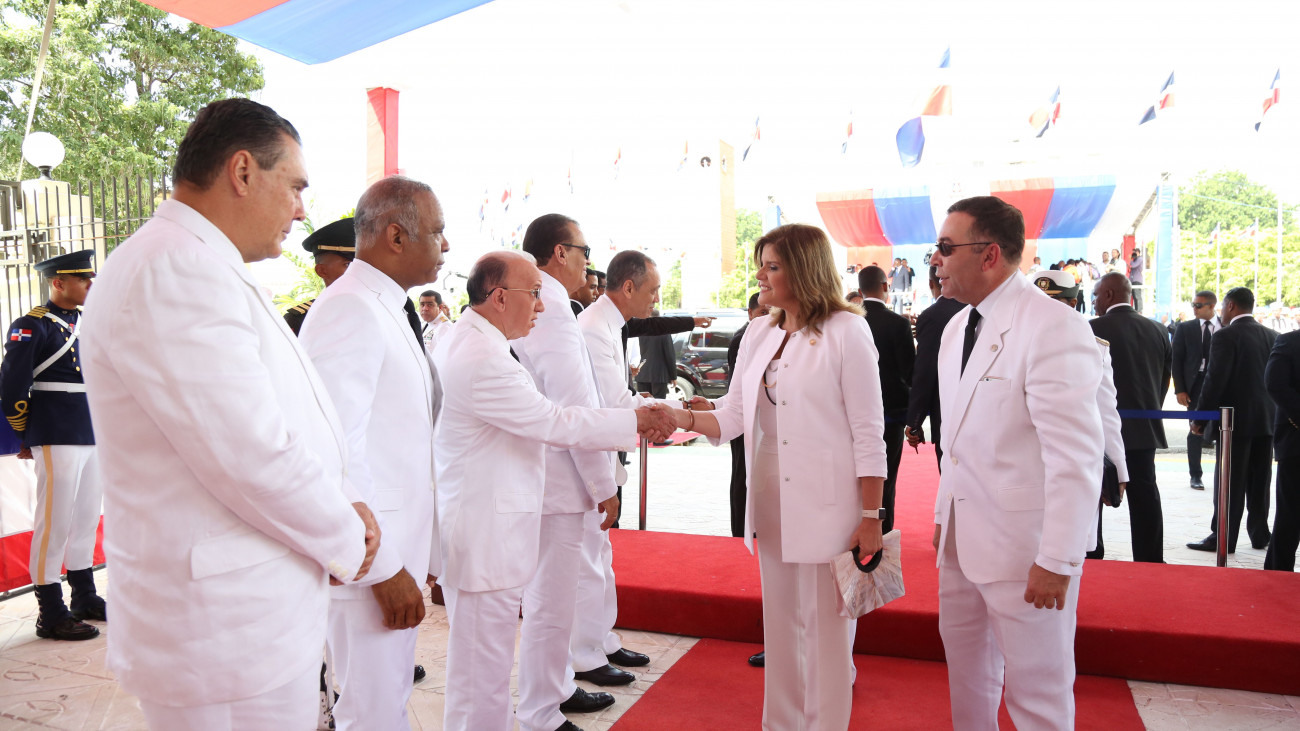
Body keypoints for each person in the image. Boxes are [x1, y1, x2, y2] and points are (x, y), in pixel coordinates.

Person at [81, 98, 381, 730]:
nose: (301, 210)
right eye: (295, 187)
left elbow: (280, 421)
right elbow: (249, 452)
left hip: (246, 617)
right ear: (243, 171)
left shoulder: (199, 261)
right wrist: (346, 538)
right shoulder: (175, 267)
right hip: (221, 634)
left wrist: (342, 499)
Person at [432, 250, 673, 731]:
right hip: (485, 536)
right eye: (534, 294)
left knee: (482, 673)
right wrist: (635, 422)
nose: (541, 306)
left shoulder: (472, 340)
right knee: (481, 678)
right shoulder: (484, 357)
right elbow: (555, 421)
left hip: (481, 527)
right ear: (500, 297)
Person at [685, 223, 888, 730]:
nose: (761, 275)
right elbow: (733, 416)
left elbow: (869, 433)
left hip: (830, 500)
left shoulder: (847, 331)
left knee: (825, 633)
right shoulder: (760, 332)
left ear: (803, 270)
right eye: (762, 265)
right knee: (780, 627)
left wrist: (871, 515)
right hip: (771, 495)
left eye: (772, 266)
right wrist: (681, 417)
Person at [929, 196, 1103, 730]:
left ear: (989, 254)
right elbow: (957, 441)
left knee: (1038, 696)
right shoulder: (957, 327)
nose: (935, 259)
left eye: (945, 247)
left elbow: (1074, 456)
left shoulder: (1052, 325)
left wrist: (1059, 559)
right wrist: (942, 518)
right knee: (968, 682)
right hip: (962, 541)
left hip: (1026, 550)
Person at [298, 176, 447, 730]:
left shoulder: (385, 304)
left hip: (395, 547)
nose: (446, 244)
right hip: (370, 560)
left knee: (385, 705)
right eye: (437, 231)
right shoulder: (351, 308)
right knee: (371, 713)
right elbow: (332, 451)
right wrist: (384, 570)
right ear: (396, 236)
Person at [511, 214, 625, 729]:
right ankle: (541, 711)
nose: (587, 263)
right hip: (556, 477)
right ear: (560, 252)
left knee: (553, 597)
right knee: (551, 601)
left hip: (550, 471)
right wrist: (604, 483)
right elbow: (574, 403)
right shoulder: (551, 306)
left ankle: (554, 687)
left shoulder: (549, 301)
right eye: (583, 251)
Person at [576, 249, 692, 688]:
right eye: (653, 290)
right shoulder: (593, 327)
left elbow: (620, 397)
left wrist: (665, 409)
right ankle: (583, 654)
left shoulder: (610, 323)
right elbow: (612, 402)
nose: (656, 299)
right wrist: (667, 411)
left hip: (604, 449)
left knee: (601, 557)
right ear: (628, 287)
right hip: (585, 459)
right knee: (587, 562)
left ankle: (601, 641)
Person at [0, 249, 104, 641]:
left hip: (90, 427)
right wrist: (25, 432)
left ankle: (84, 595)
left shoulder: (87, 322)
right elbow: (13, 385)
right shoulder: (32, 325)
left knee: (86, 515)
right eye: (82, 279)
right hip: (56, 426)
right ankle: (50, 610)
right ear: (58, 282)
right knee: (54, 521)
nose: (90, 285)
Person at [1032, 270, 1129, 563]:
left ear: (1072, 304)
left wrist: (1117, 467)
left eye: (1054, 302)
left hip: (1072, 463)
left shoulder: (1094, 347)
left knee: (1070, 548)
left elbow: (1106, 410)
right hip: (1024, 464)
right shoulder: (1009, 344)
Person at [1090, 273, 1172, 563]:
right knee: (1145, 496)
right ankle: (1150, 560)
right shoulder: (1158, 329)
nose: (1094, 302)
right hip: (1144, 426)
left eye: (1096, 295)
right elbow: (1164, 380)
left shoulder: (1092, 328)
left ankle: (1092, 554)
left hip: (1100, 430)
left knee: (1092, 496)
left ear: (1109, 295)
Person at [1189, 287, 1277, 553]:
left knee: (1229, 481)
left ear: (1230, 306)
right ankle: (1260, 534)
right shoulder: (1272, 335)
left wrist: (1200, 418)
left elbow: (1215, 380)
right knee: (1260, 481)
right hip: (1266, 420)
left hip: (1234, 423)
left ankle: (1224, 537)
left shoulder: (1225, 336)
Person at [858, 264, 916, 534]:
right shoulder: (898, 324)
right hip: (890, 414)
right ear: (885, 286)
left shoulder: (848, 322)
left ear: (860, 290)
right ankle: (884, 537)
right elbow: (910, 372)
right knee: (886, 478)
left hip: (853, 415)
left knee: (854, 479)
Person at [906, 265, 966, 468]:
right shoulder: (977, 309)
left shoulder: (932, 316)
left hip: (946, 414)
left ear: (932, 283)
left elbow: (925, 372)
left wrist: (915, 421)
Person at [725, 293, 769, 540]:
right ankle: (740, 530)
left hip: (760, 422)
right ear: (750, 313)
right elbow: (738, 390)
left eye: (770, 312)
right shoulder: (743, 338)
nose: (767, 318)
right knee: (742, 476)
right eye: (762, 313)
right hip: (742, 420)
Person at [1172, 291, 1220, 490]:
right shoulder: (1185, 328)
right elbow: (1176, 360)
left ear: (1211, 306)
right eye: (1193, 305)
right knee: (1195, 429)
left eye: (1199, 306)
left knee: (1223, 431)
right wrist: (1180, 389)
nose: (1194, 309)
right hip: (1195, 384)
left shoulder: (1225, 326)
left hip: (1220, 384)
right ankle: (1195, 475)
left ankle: (1223, 475)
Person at [1265, 329, 1300, 571]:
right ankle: (1278, 574)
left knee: (1290, 511)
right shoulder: (1290, 341)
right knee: (1290, 512)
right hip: (1295, 439)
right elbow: (1275, 384)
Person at [283, 217, 355, 335]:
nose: (358, 271)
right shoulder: (300, 320)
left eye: (361, 265)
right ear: (322, 271)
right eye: (348, 264)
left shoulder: (379, 308)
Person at [635, 309, 676, 400]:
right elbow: (669, 355)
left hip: (642, 373)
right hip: (659, 375)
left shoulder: (639, 331)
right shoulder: (664, 332)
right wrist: (673, 376)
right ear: (659, 318)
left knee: (644, 402)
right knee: (659, 402)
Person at [1129, 248, 1145, 313]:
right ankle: (1136, 310)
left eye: (1134, 253)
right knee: (1134, 296)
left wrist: (1131, 259)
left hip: (1137, 280)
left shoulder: (1140, 259)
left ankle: (1139, 311)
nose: (1133, 254)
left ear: (1138, 252)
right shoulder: (1135, 260)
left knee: (1137, 295)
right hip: (1133, 280)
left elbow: (1133, 265)